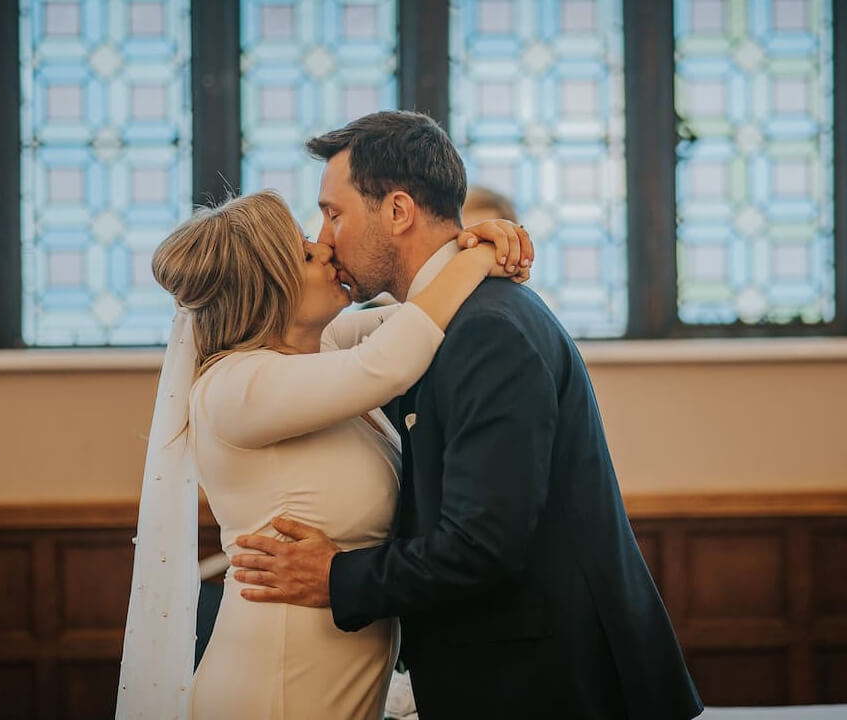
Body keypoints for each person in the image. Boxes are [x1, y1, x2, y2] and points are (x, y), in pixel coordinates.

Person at [231, 111, 704, 719]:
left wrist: (337, 576)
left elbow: (483, 544)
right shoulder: (436, 327)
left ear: (397, 211)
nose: (325, 239)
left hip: (549, 685)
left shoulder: (487, 332)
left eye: (334, 213)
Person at [115, 189, 530, 719]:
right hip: (277, 689)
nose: (328, 251)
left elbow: (422, 311)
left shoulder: (322, 348)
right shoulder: (233, 388)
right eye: (306, 254)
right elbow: (393, 359)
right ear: (268, 289)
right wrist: (477, 254)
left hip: (333, 679)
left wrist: (481, 238)